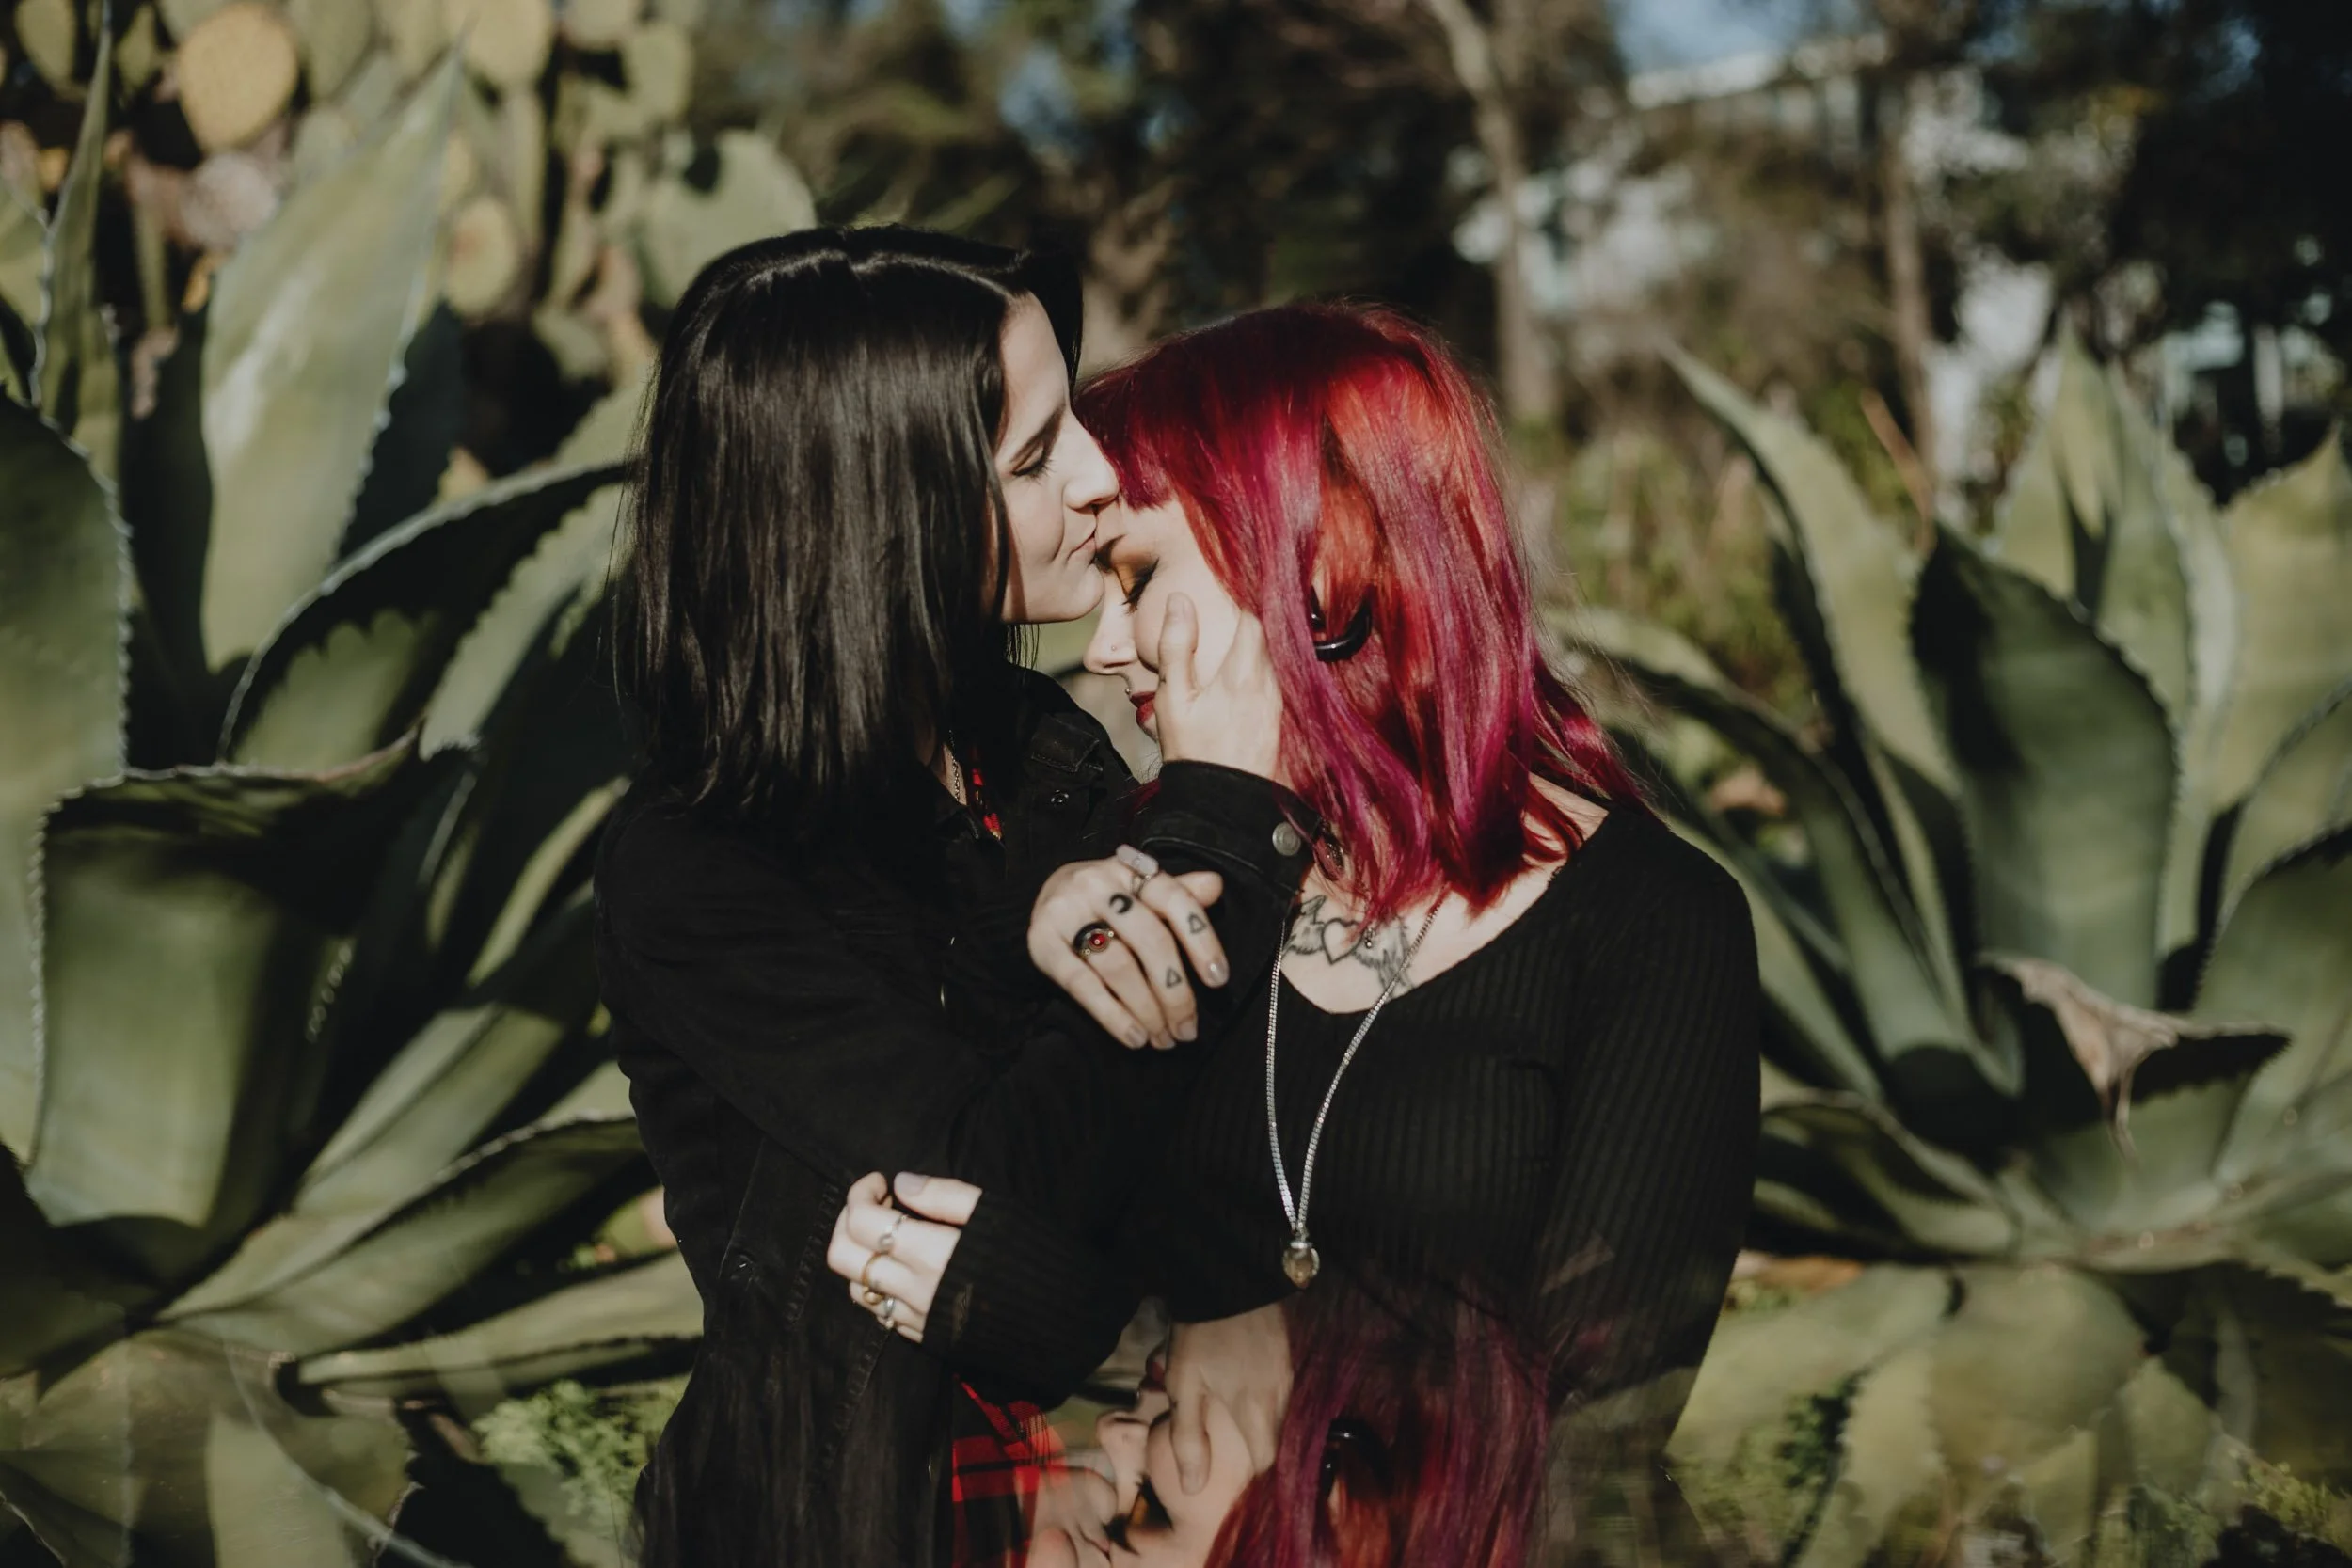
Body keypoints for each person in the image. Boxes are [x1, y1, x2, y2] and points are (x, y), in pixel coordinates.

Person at [837, 302, 1760, 1561]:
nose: (1104, 649)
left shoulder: (1654, 927)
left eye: (1138, 576)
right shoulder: (1151, 881)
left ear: (1323, 568)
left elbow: (1597, 1420)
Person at [596, 226, 1318, 1568]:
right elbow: (1000, 1189)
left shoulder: (1037, 752)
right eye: (1038, 458)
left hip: (1122, 1495)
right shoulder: (703, 869)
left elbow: (1161, 1189)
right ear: (882, 512)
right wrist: (1221, 813)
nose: (1102, 480)